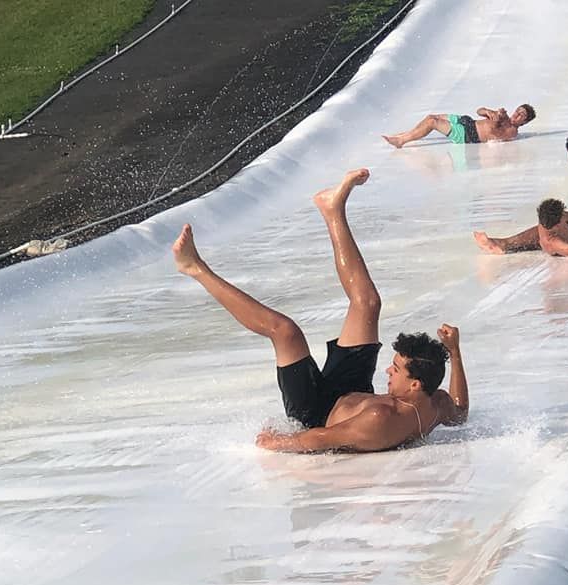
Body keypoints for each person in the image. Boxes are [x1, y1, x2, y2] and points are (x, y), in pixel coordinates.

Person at [172, 168, 469, 453]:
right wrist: (454, 351)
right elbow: (461, 411)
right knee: (368, 303)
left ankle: (194, 267)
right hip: (353, 392)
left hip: (315, 410)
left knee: (285, 331)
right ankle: (333, 210)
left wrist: (277, 442)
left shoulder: (380, 419)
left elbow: (319, 438)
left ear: (415, 384)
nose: (388, 370)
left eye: (396, 369)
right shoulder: (435, 403)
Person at [382, 104, 536, 148]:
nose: (517, 114)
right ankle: (407, 135)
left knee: (432, 122)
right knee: (432, 116)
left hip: (467, 134)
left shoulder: (512, 131)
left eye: (521, 115)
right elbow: (479, 110)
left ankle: (401, 141)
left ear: (524, 122)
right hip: (468, 122)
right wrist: (489, 112)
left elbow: (495, 132)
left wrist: (497, 119)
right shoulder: (504, 116)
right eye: (518, 110)